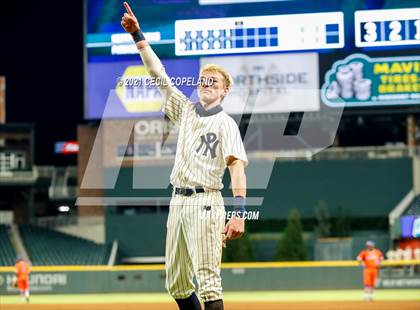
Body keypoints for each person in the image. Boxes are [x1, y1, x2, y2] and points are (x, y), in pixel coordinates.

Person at [121, 3, 248, 310]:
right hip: (178, 200)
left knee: (208, 281)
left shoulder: (226, 123)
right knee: (176, 283)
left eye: (213, 82)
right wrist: (137, 33)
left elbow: (238, 170)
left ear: (225, 91)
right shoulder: (187, 111)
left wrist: (240, 212)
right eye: (203, 79)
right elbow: (157, 73)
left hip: (206, 201)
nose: (206, 84)